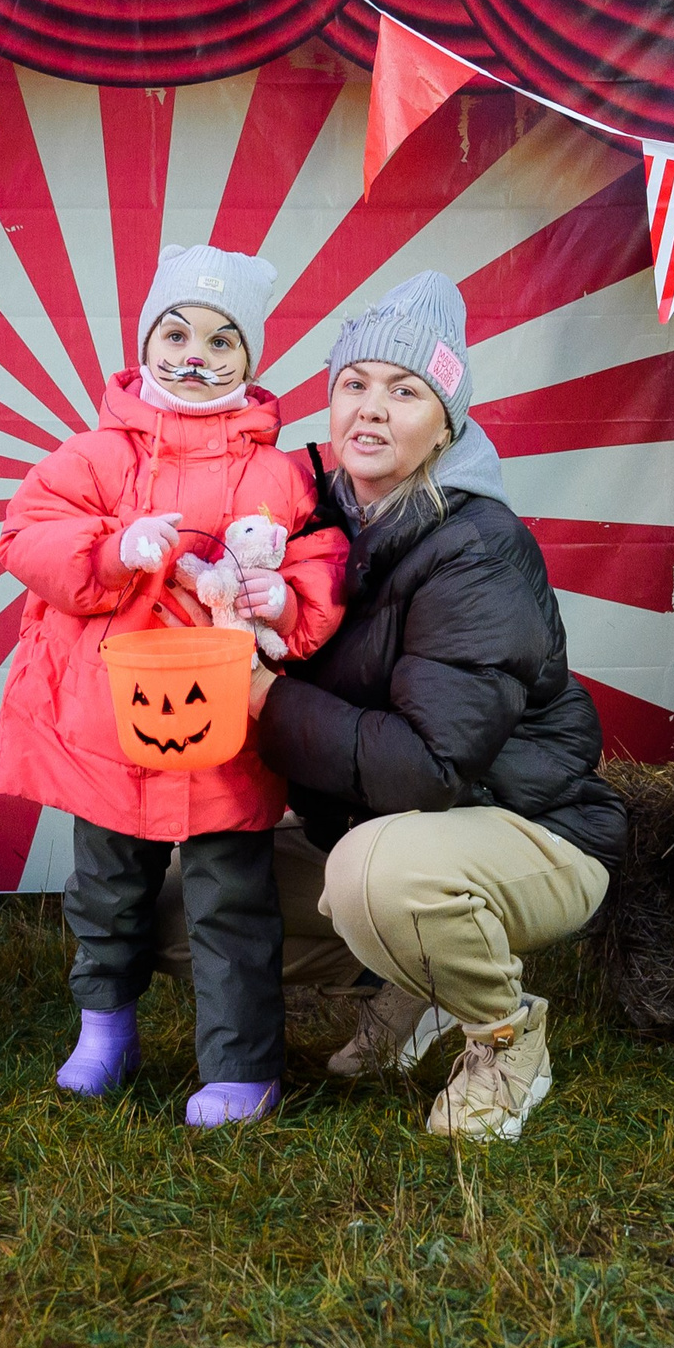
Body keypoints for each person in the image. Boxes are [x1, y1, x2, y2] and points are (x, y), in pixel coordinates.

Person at [249, 272, 626, 1141]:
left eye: (406, 390)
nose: (372, 409)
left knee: (377, 876)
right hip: (395, 830)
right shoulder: (314, 525)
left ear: (446, 422)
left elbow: (429, 767)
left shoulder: (478, 547)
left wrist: (265, 700)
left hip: (531, 830)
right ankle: (409, 982)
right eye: (355, 384)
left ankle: (505, 1038)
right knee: (189, 899)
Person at [0, 243, 348, 1127]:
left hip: (223, 724)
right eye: (177, 331)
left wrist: (284, 593)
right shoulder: (98, 454)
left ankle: (240, 1065)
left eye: (223, 341)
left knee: (233, 898)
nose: (195, 354)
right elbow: (25, 533)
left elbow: (324, 561)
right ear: (147, 342)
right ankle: (105, 1029)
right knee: (106, 888)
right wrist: (115, 550)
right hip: (113, 719)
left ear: (251, 362)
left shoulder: (282, 472)